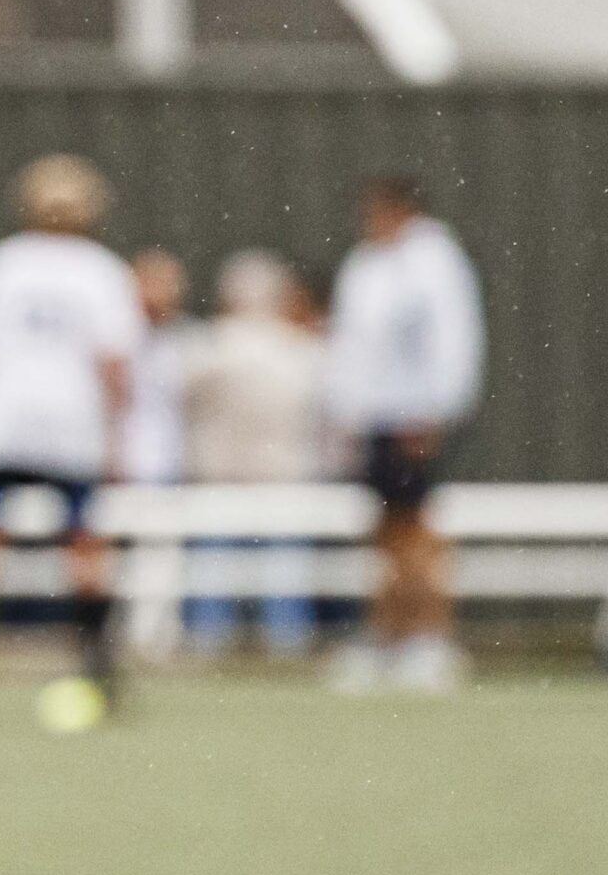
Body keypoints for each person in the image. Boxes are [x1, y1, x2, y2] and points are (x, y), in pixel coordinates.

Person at [0, 155, 143, 717]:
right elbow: (115, 362)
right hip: (71, 424)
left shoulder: (1, 264)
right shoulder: (100, 270)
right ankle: (98, 663)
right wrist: (120, 435)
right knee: (85, 543)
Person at [324, 175, 485, 693]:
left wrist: (434, 410)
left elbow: (452, 340)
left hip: (415, 418)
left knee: (417, 532)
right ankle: (388, 638)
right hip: (376, 418)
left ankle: (430, 639)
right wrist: (347, 412)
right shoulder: (367, 264)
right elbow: (352, 346)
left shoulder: (435, 262)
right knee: (387, 533)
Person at [182, 250, 329, 657]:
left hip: (223, 476)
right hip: (279, 476)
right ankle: (287, 646)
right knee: (283, 575)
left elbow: (184, 397)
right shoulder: (301, 350)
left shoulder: (211, 346)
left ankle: (208, 645)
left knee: (215, 573)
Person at [120, 249, 193, 489]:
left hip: (172, 466)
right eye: (149, 282)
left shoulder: (188, 340)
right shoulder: (115, 340)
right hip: (121, 465)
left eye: (166, 284)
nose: (157, 293)